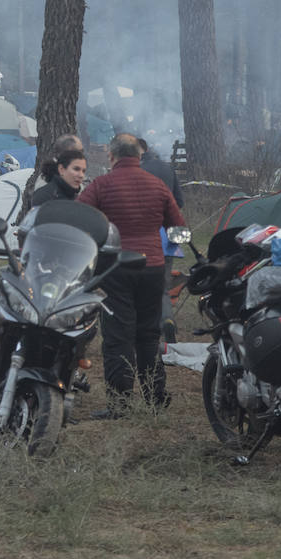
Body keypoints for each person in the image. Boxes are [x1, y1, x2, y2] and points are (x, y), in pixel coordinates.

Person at [77, 132, 185, 417]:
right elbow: (178, 226)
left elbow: (79, 215)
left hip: (115, 268)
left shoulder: (101, 185)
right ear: (139, 156)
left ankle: (120, 405)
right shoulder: (158, 186)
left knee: (117, 337)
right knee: (149, 334)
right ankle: (155, 399)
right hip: (152, 268)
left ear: (111, 157)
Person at [138, 138, 184, 208]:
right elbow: (179, 202)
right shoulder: (168, 167)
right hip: (167, 215)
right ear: (146, 149)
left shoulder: (135, 171)